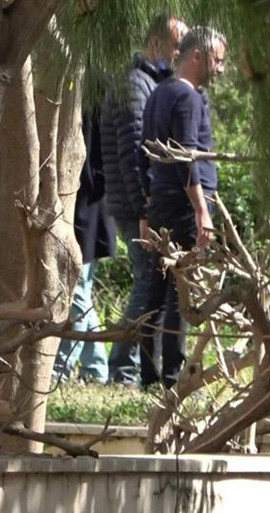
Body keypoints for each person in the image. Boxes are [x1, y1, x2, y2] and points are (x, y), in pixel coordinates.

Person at [100, 14, 188, 387]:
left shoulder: (152, 82)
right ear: (156, 43)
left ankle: (127, 365)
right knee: (146, 282)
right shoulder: (136, 85)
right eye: (176, 45)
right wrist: (143, 211)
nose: (181, 52)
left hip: (140, 204)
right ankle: (121, 368)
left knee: (150, 281)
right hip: (135, 205)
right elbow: (134, 153)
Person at [140, 26, 227, 388]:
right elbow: (186, 157)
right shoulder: (189, 98)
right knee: (181, 292)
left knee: (154, 291)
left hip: (160, 203)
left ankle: (148, 376)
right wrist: (202, 210)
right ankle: (172, 377)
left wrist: (146, 211)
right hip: (184, 207)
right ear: (198, 55)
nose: (221, 69)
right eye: (218, 60)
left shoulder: (158, 93)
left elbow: (142, 155)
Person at [52, 112, 117, 385]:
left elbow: (95, 166)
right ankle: (97, 369)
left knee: (76, 291)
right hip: (90, 208)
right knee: (82, 293)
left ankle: (63, 367)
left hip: (86, 210)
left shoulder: (92, 109)